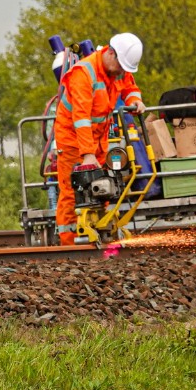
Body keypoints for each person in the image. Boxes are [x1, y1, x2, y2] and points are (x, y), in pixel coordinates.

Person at [52, 32, 145, 245]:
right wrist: (87, 155)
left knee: (101, 187)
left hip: (98, 136)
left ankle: (98, 236)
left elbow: (131, 87)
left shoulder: (118, 70)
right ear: (110, 53)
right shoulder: (84, 73)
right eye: (121, 66)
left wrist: (135, 101)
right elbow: (81, 119)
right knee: (71, 191)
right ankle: (70, 243)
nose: (122, 71)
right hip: (73, 138)